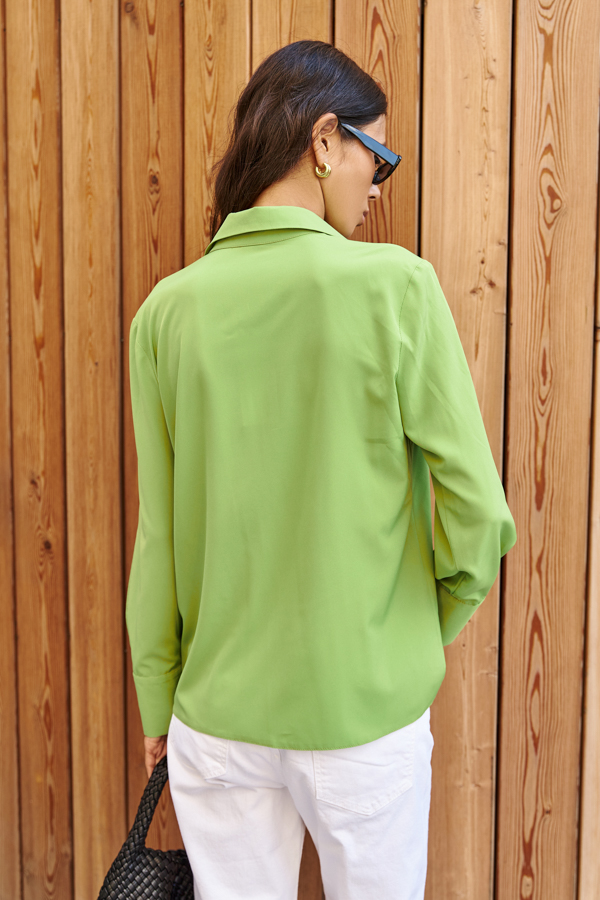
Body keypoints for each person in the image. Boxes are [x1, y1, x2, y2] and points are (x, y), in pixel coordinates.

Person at [126, 39, 517, 900]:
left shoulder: (164, 315)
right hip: (363, 712)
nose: (378, 186)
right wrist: (415, 631)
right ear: (325, 140)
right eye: (379, 157)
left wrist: (159, 700)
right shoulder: (395, 289)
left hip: (217, 719)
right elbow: (479, 515)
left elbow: (158, 537)